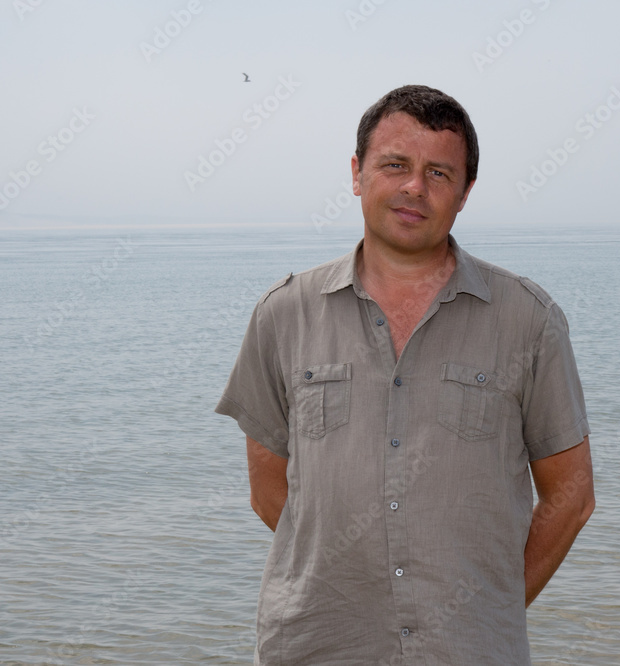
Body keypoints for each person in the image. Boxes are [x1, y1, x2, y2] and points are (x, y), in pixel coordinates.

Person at [215, 84, 594, 665]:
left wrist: (488, 608)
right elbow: (270, 492)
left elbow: (570, 495)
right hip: (317, 647)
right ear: (357, 173)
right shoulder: (284, 314)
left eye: (440, 173)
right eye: (395, 165)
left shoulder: (528, 321)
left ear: (465, 193)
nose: (415, 187)